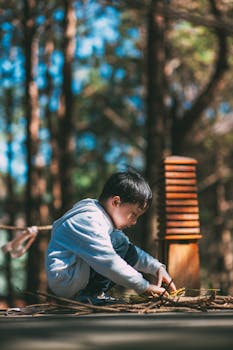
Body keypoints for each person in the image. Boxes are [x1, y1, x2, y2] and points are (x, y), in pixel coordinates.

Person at [45, 170, 176, 303]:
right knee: (119, 240)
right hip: (67, 279)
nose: (134, 222)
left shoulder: (98, 216)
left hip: (77, 274)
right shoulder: (89, 220)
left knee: (122, 244)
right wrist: (144, 287)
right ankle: (91, 296)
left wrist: (157, 267)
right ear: (116, 202)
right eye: (133, 214)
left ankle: (93, 293)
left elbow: (131, 253)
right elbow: (108, 261)